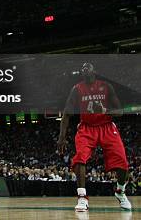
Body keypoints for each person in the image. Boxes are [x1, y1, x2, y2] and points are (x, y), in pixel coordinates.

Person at [57, 62, 132, 212]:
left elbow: (120, 111)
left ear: (94, 71)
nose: (84, 70)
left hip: (107, 127)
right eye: (82, 69)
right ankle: (82, 197)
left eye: (87, 68)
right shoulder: (77, 89)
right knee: (80, 159)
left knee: (123, 163)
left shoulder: (106, 86)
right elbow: (66, 113)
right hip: (86, 128)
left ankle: (120, 191)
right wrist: (61, 137)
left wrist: (104, 110)